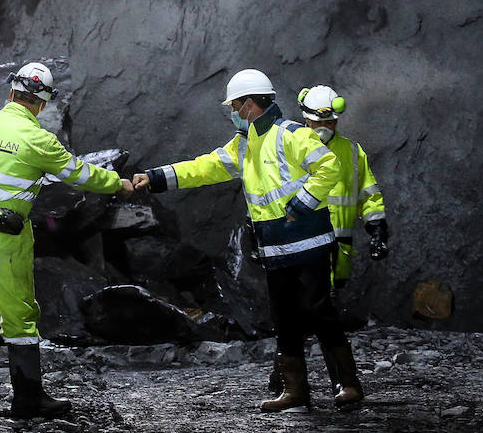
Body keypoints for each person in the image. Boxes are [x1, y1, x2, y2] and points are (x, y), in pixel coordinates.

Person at [132, 68, 365, 412]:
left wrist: (302, 203)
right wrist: (155, 178)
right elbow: (205, 167)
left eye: (236, 105)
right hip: (275, 248)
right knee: (284, 317)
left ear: (250, 104)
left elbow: (328, 166)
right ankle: (295, 391)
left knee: (319, 311)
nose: (233, 112)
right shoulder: (245, 144)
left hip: (308, 242)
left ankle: (348, 384)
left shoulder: (291, 134)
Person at [0, 62, 134, 419]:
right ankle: (28, 398)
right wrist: (118, 183)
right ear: (42, 103)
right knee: (19, 313)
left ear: (11, 93)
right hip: (3, 229)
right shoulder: (39, 141)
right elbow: (79, 174)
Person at [296, 85, 389, 291]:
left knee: (331, 301)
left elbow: (368, 195)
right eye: (317, 123)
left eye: (329, 122)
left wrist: (377, 230)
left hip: (339, 248)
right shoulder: (291, 149)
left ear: (337, 120)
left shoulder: (352, 152)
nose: (324, 128)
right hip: (302, 245)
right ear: (306, 119)